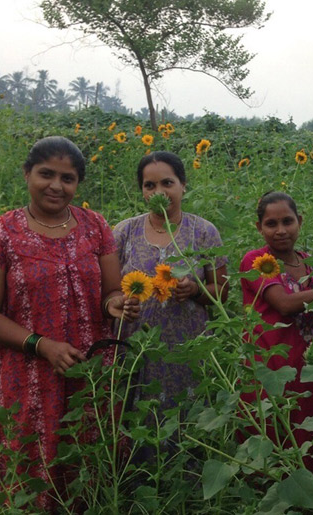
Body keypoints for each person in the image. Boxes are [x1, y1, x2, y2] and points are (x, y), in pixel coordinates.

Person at [0, 136, 137, 512]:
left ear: (77, 184)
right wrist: (43, 345)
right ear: (26, 174)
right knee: (30, 471)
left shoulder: (94, 226)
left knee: (88, 467)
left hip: (89, 372)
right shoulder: (1, 234)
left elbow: (109, 293)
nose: (56, 185)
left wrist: (117, 303)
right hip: (27, 375)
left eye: (67, 178)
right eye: (46, 174)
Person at [113, 151, 228, 424]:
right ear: (141, 191)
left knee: (187, 423)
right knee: (136, 421)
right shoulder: (124, 232)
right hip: (136, 347)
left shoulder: (203, 232)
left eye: (167, 183)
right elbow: (108, 289)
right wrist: (121, 302)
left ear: (183, 185)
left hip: (187, 349)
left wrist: (196, 290)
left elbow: (222, 292)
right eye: (149, 186)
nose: (158, 192)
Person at [239, 191, 313, 473]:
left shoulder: (312, 262)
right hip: (269, 366)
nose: (280, 231)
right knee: (270, 437)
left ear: (299, 221)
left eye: (287, 221)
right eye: (271, 224)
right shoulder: (257, 260)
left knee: (307, 433)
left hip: (308, 366)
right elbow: (285, 304)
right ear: (259, 227)